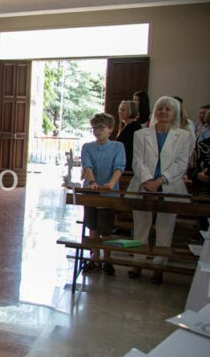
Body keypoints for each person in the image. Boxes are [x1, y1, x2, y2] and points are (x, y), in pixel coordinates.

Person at [127, 96, 194, 283]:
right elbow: (137, 161)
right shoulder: (141, 134)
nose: (164, 112)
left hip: (170, 185)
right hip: (143, 184)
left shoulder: (184, 136)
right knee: (141, 226)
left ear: (175, 113)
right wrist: (148, 180)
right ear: (155, 111)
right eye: (160, 108)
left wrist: (160, 181)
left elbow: (181, 164)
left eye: (168, 109)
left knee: (165, 227)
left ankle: (159, 266)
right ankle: (138, 262)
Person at [80, 113, 126, 275]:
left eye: (101, 128)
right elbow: (87, 165)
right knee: (92, 225)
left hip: (109, 194)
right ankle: (95, 257)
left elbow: (119, 166)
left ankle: (107, 258)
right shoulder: (87, 147)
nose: (97, 131)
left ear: (110, 129)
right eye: (94, 128)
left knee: (106, 229)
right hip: (91, 192)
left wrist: (111, 184)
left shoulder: (118, 147)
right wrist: (92, 182)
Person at [115, 100, 141, 171]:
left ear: (131, 111)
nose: (120, 112)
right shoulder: (127, 126)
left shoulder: (134, 127)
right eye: (120, 109)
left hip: (129, 164)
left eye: (123, 110)